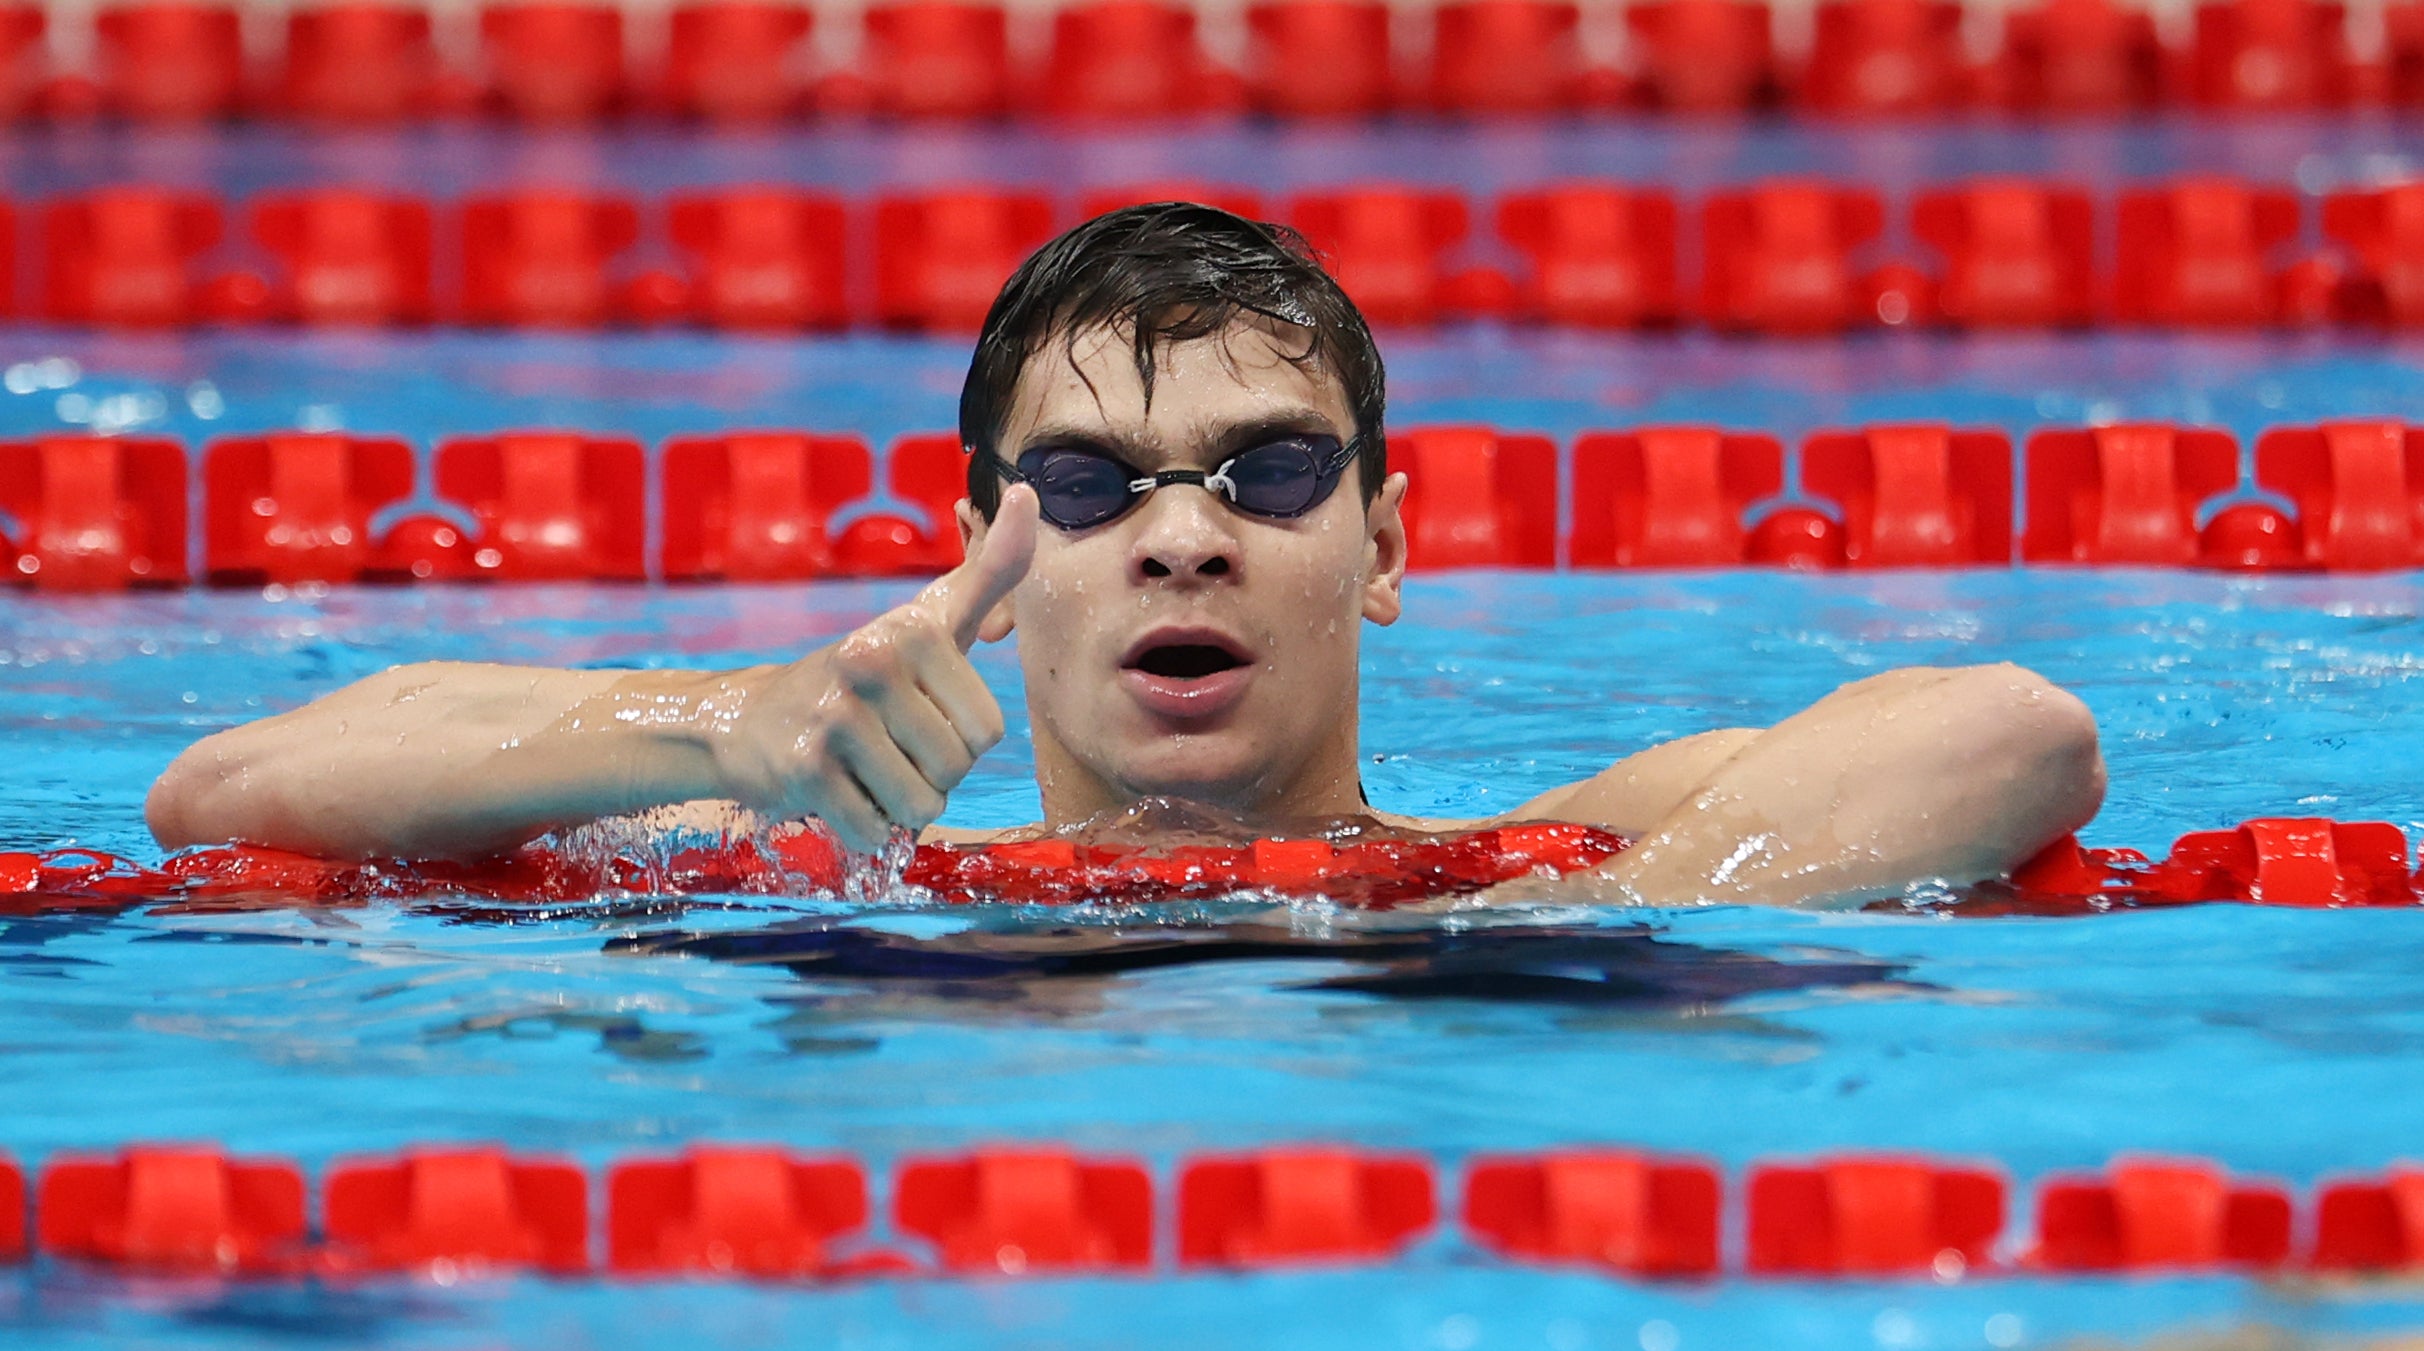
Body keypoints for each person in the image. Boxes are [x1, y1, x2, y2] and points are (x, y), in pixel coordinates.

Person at [145, 203, 2105, 908]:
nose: (1182, 541)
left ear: (1387, 545)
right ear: (986, 552)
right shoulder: (831, 870)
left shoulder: (1532, 862)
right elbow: (222, 794)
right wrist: (721, 722)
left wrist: (1588, 918)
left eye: (1266, 474)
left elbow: (2009, 726)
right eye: (1091, 489)